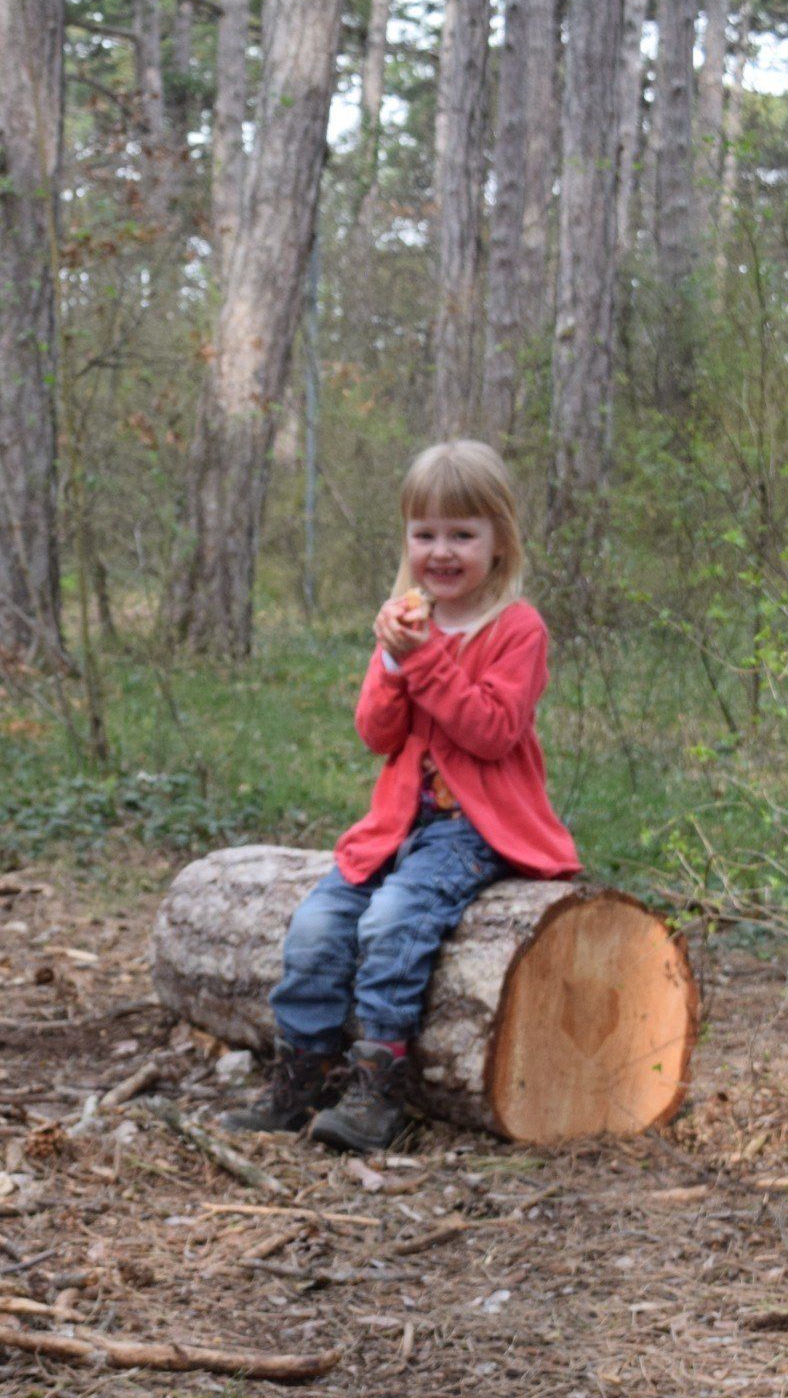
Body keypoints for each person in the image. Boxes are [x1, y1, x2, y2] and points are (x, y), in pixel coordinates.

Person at [221, 439, 579, 1152]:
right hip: (395, 822)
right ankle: (303, 1076)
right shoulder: (407, 621)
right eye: (426, 534)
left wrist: (425, 660)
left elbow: (491, 731)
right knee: (319, 923)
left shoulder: (517, 629)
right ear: (407, 539)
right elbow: (376, 732)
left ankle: (379, 1091)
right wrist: (391, 661)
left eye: (462, 535)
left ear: (499, 541)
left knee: (393, 922)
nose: (441, 552)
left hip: (472, 828)